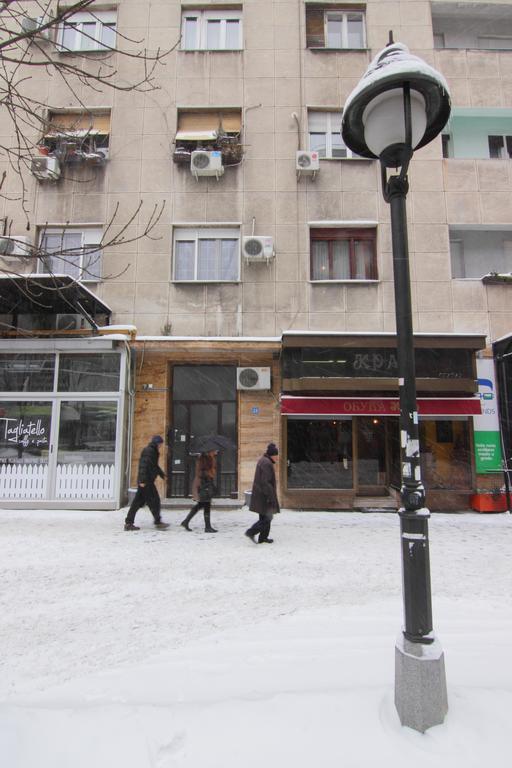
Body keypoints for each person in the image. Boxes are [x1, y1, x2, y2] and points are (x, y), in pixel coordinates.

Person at [124, 435, 169, 531]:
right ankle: (157, 521)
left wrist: (162, 474)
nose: (161, 445)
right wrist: (142, 481)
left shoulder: (152, 451)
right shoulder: (149, 451)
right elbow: (143, 466)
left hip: (147, 481)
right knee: (154, 501)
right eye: (161, 443)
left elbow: (154, 466)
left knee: (138, 502)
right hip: (146, 481)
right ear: (157, 443)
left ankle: (129, 523)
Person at [245, 442, 280, 544]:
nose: (277, 458)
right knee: (268, 517)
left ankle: (263, 537)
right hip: (264, 496)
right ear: (271, 455)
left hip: (261, 495)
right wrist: (270, 497)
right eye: (276, 456)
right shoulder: (266, 463)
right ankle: (251, 532)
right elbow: (266, 482)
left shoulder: (264, 461)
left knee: (264, 516)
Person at [180, 450, 218, 533]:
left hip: (206, 483)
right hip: (205, 484)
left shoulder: (208, 458)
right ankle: (207, 527)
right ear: (210, 451)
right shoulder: (205, 459)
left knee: (201, 505)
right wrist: (208, 477)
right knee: (206, 504)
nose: (216, 452)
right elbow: (202, 472)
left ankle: (186, 521)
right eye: (214, 450)